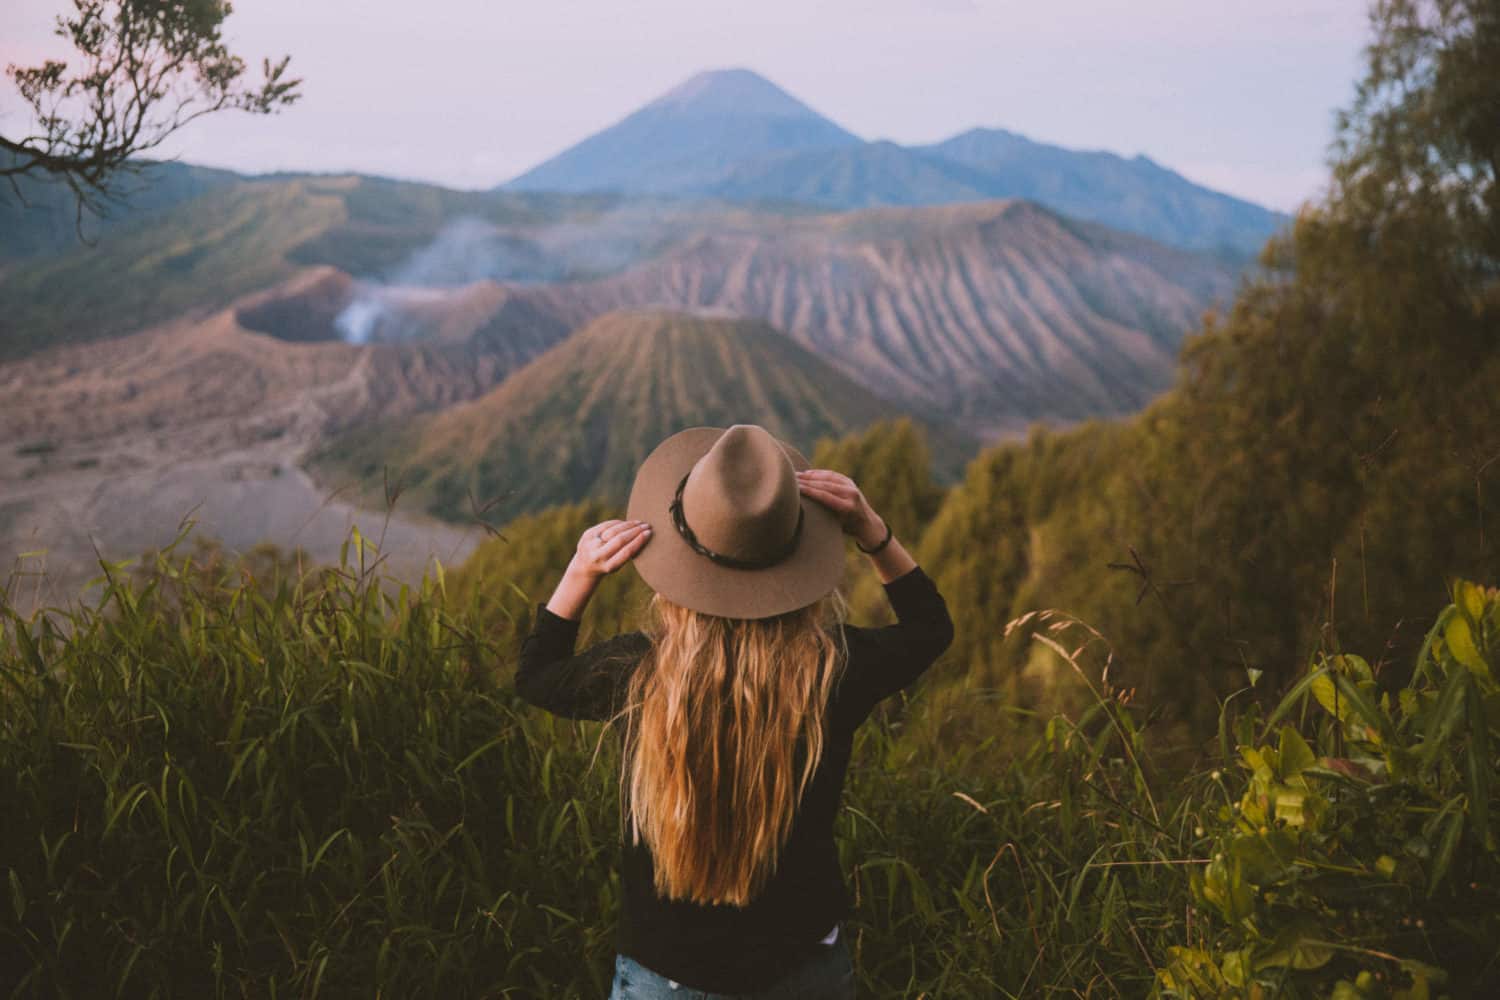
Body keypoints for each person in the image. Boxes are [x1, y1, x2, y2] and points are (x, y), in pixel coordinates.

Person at [515, 424, 954, 998]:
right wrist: (872, 531)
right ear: (795, 559)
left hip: (665, 972)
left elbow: (535, 676)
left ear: (677, 563)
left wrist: (582, 571)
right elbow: (929, 628)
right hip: (803, 971)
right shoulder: (835, 670)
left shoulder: (638, 672)